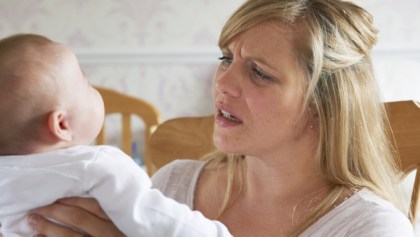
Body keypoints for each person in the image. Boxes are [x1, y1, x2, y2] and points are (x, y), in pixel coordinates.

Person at [26, 0, 415, 236]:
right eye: (226, 58)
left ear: (323, 106)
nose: (223, 83)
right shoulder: (172, 187)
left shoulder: (369, 229)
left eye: (259, 73)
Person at [0, 34, 232, 237]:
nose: (95, 89)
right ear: (61, 124)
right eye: (86, 83)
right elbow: (155, 217)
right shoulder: (97, 167)